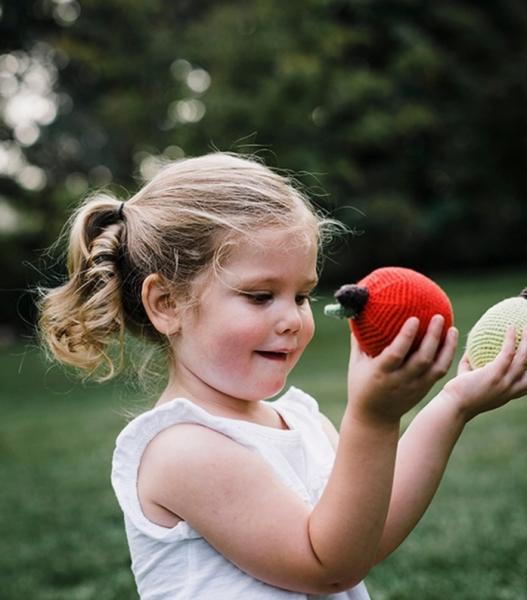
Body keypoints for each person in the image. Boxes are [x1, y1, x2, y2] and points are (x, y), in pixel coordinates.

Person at [38, 152, 527, 599]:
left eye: (301, 295)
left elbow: (363, 538)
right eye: (259, 296)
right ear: (167, 304)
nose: (292, 318)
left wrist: (453, 405)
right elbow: (329, 566)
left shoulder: (300, 420)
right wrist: (373, 419)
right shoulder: (182, 448)